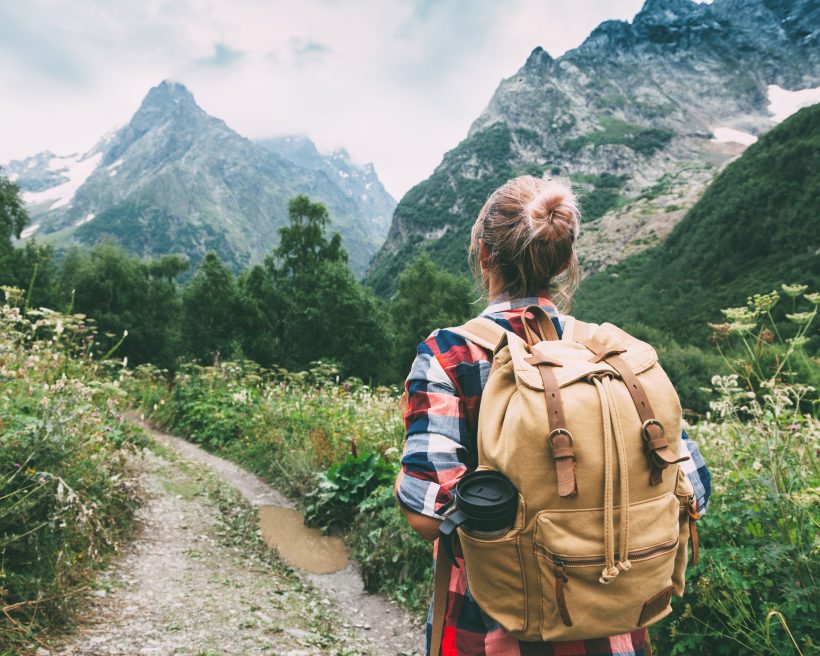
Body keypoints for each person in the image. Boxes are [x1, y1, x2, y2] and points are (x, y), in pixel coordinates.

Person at [394, 175, 711, 656]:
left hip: (494, 627)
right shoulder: (611, 356)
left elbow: (423, 512)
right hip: (616, 627)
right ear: (565, 261)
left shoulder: (451, 355)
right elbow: (695, 488)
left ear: (483, 254)